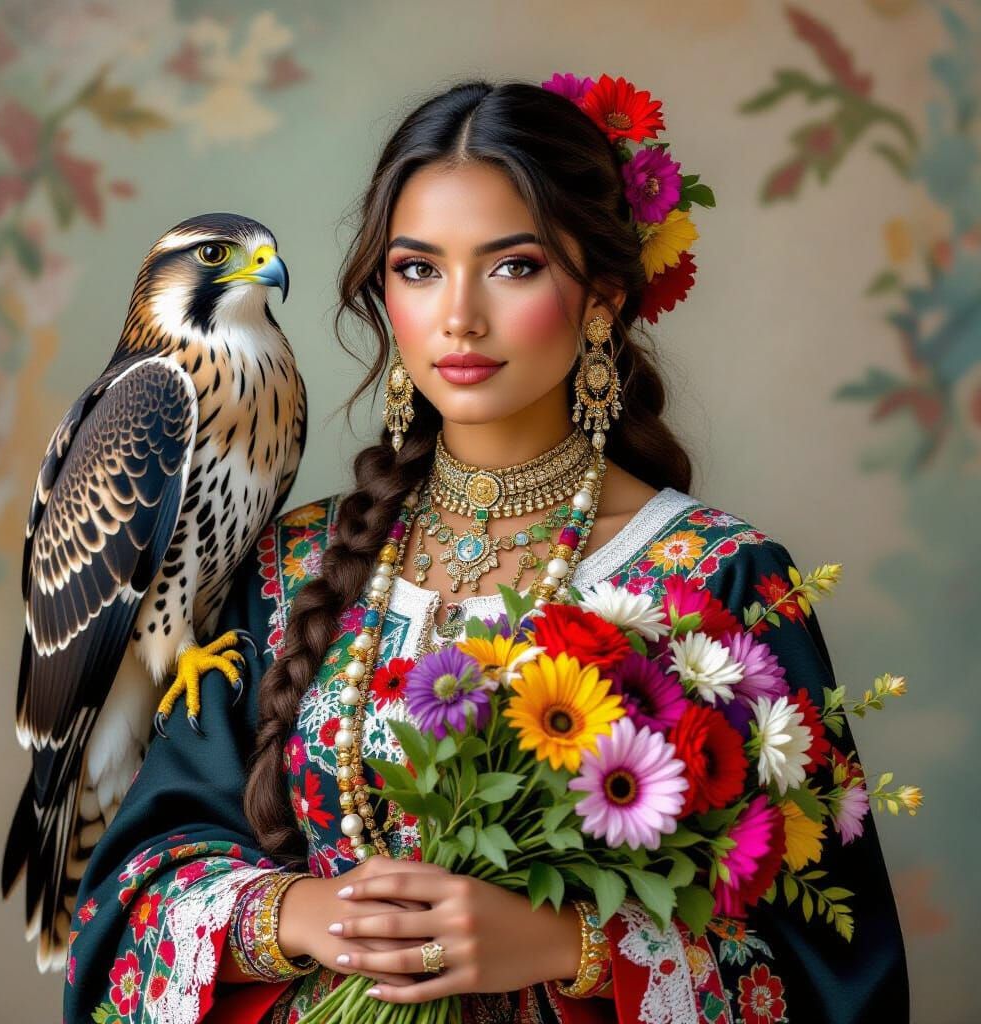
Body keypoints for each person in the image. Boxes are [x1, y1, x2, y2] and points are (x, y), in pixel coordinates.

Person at [64, 77, 910, 1024]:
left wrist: (575, 948)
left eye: (512, 267)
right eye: (418, 269)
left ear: (601, 295)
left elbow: (836, 971)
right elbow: (125, 902)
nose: (458, 316)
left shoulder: (718, 580)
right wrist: (293, 914)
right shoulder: (287, 569)